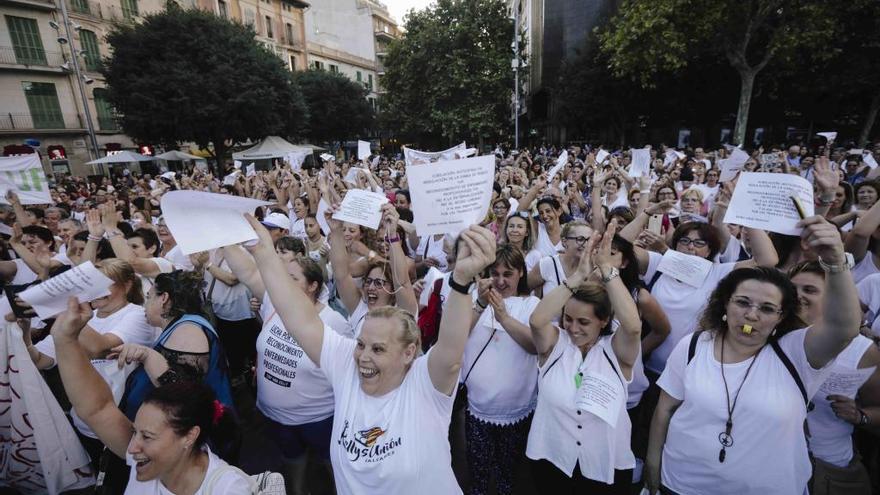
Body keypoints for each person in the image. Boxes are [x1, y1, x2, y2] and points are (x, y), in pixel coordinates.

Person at [244, 211, 497, 495]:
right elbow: (298, 317)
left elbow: (451, 351)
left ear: (408, 353)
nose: (363, 356)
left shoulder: (424, 385)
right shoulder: (345, 366)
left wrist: (461, 281)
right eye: (361, 344)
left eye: (378, 349)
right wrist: (263, 252)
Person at [645, 216, 861, 494]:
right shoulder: (694, 344)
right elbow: (665, 409)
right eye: (743, 302)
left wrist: (835, 261)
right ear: (725, 304)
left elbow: (843, 328)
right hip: (680, 484)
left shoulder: (797, 353)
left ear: (781, 317)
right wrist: (653, 461)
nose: (752, 314)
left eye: (768, 309)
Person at [49, 299, 250, 494]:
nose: (132, 447)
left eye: (147, 436)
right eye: (135, 431)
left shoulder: (228, 488)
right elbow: (97, 409)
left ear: (189, 436)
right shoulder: (153, 455)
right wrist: (64, 338)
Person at [526, 227, 642, 492]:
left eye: (584, 322)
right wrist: (578, 277)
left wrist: (607, 270)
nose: (573, 328)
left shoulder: (616, 352)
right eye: (568, 318)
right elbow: (537, 320)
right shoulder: (555, 345)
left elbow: (633, 327)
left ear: (603, 321)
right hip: (552, 460)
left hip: (604, 465)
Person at [223, 245, 347, 493]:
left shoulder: (335, 322)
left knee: (332, 464)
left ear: (312, 286)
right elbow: (247, 271)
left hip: (319, 418)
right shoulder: (275, 302)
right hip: (278, 418)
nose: (284, 284)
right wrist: (224, 236)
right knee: (293, 462)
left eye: (292, 278)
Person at [22, 259, 157, 466]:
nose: (96, 291)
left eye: (104, 284)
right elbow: (39, 360)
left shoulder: (137, 315)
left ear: (127, 284)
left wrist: (65, 313)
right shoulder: (84, 317)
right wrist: (23, 329)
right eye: (91, 285)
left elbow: (100, 348)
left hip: (120, 423)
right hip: (83, 422)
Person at [791, 262, 879, 494]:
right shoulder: (770, 335)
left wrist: (860, 416)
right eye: (793, 290)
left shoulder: (861, 350)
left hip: (829, 468)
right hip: (774, 465)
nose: (798, 296)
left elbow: (877, 409)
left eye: (809, 290)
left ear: (833, 298)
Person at [463, 245, 539, 495]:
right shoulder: (475, 298)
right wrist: (481, 305)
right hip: (478, 410)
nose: (501, 280)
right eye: (495, 273)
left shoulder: (532, 304)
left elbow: (534, 346)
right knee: (478, 477)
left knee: (509, 477)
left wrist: (504, 317)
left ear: (521, 274)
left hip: (516, 411)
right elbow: (457, 336)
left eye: (508, 273)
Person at [328, 203, 417, 337]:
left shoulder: (403, 314)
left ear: (393, 291)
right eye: (368, 281)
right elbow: (341, 275)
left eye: (379, 283)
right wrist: (336, 230)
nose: (370, 287)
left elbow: (401, 282)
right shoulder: (360, 310)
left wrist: (392, 234)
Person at [527, 220, 593, 298]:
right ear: (564, 241)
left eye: (589, 240)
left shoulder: (595, 268)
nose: (585, 244)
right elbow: (524, 290)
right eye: (580, 239)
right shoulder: (547, 264)